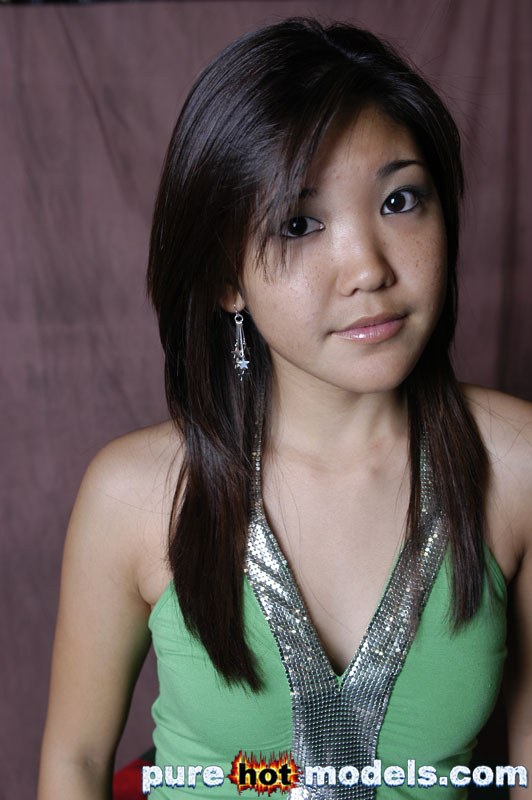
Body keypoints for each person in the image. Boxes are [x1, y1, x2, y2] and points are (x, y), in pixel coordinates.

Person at [38, 17, 532, 800]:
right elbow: (75, 762)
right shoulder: (135, 496)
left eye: (400, 199)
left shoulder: (516, 466)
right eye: (299, 224)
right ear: (226, 278)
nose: (367, 268)